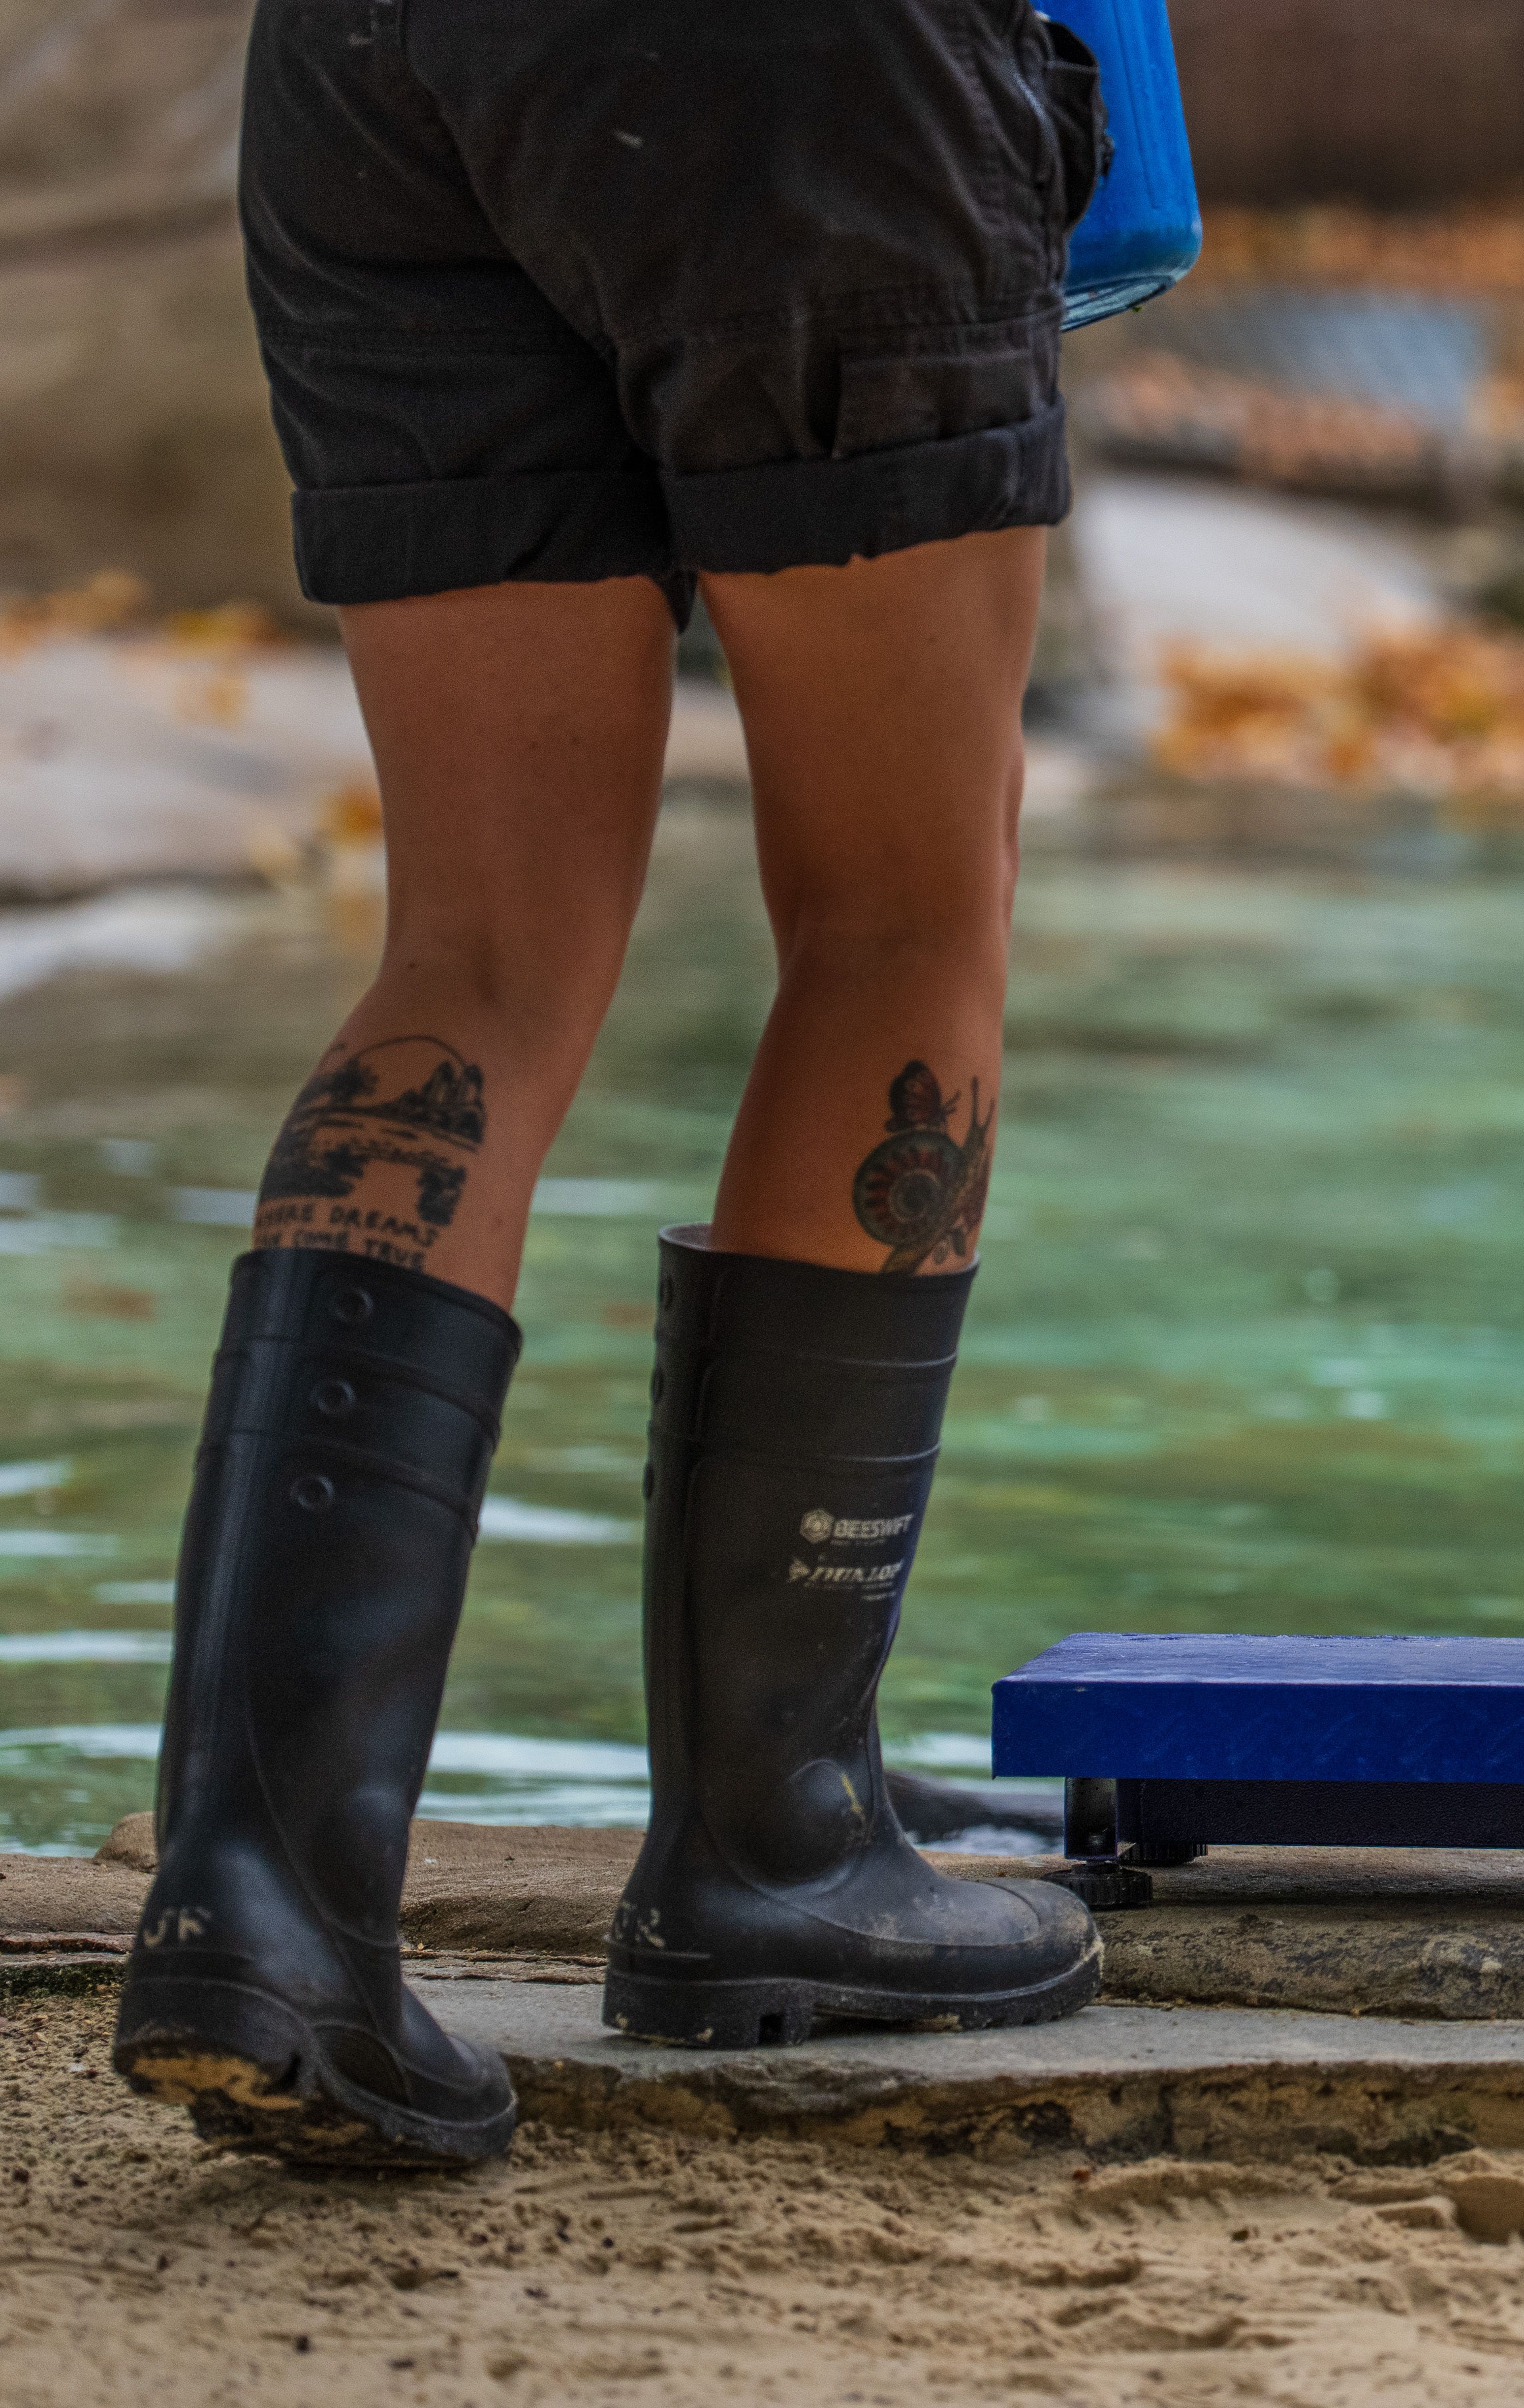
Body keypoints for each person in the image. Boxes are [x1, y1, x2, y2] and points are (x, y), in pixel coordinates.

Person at [111, 0, 1114, 2168]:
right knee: (901, 916)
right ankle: (778, 1840)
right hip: (801, 74)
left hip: (385, 62)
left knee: (468, 953)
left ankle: (257, 1909)